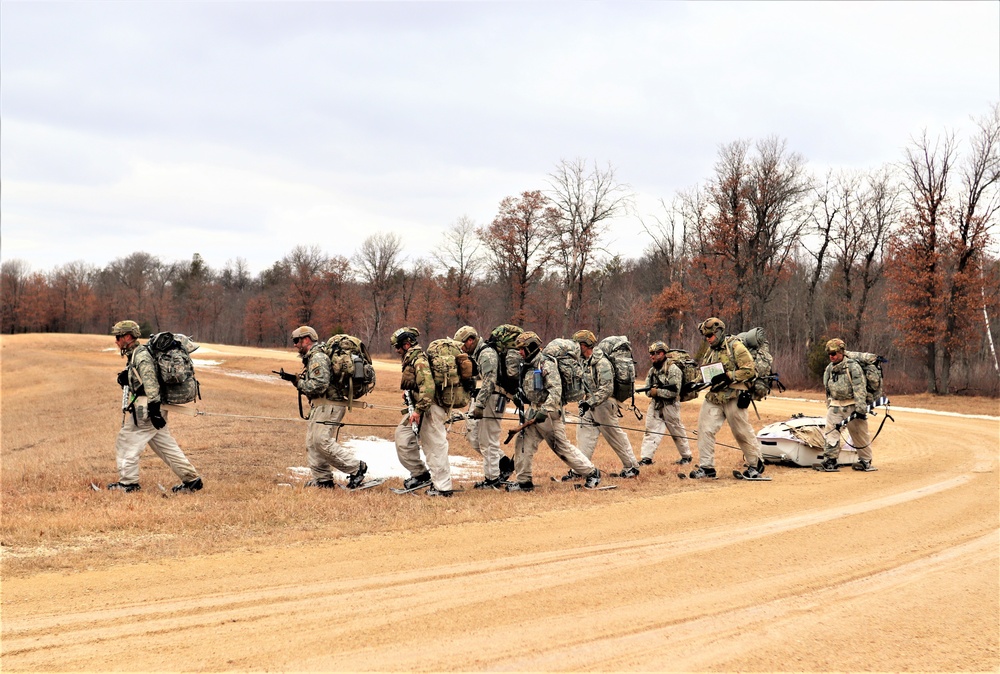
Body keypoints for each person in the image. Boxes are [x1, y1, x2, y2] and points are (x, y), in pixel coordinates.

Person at [108, 320, 203, 493]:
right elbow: (142, 378)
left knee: (126, 440)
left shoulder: (141, 355)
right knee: (164, 444)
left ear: (127, 337)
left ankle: (128, 484)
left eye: (118, 336)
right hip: (153, 406)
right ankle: (192, 480)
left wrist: (153, 409)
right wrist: (127, 377)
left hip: (147, 407)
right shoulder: (137, 353)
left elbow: (150, 381)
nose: (116, 340)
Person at [506, 331, 601, 492]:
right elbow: (534, 389)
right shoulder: (529, 365)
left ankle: (592, 473)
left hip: (548, 414)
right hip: (534, 411)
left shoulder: (546, 363)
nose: (520, 352)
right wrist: (521, 396)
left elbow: (555, 391)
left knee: (561, 447)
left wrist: (544, 411)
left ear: (531, 347)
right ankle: (524, 482)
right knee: (523, 443)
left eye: (522, 349)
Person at [278, 326, 368, 489]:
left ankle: (357, 468)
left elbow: (319, 384)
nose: (295, 345)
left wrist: (298, 382)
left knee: (322, 441)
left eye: (296, 341)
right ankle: (323, 480)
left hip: (330, 405)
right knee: (312, 443)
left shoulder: (317, 357)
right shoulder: (313, 357)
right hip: (321, 405)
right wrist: (295, 379)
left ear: (306, 340)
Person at [692, 317, 767, 480]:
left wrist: (728, 376)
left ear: (719, 332)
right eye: (706, 336)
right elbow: (704, 372)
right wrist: (694, 383)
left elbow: (750, 371)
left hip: (734, 395)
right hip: (715, 397)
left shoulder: (736, 347)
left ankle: (756, 465)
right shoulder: (710, 351)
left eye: (710, 335)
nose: (708, 339)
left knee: (741, 432)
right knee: (705, 429)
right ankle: (706, 468)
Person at [391, 327, 454, 496]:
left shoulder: (419, 360)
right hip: (419, 407)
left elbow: (428, 388)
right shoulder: (410, 359)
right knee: (402, 438)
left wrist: (418, 411)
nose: (396, 350)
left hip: (430, 408)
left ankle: (443, 488)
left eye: (397, 347)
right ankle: (421, 475)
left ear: (406, 345)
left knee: (434, 447)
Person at [570, 329, 640, 479]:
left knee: (614, 436)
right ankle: (580, 470)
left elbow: (607, 389)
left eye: (577, 344)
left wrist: (590, 402)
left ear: (584, 345)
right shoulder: (583, 362)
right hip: (590, 404)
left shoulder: (602, 363)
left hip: (605, 405)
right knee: (584, 436)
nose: (575, 347)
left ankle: (632, 467)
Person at [455, 326, 515, 489]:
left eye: (462, 343)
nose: (461, 347)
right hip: (486, 397)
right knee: (474, 437)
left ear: (470, 340)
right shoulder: (477, 353)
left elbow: (490, 381)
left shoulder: (487, 354)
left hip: (494, 399)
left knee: (489, 439)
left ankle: (492, 479)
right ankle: (504, 464)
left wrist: (479, 404)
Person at [817, 338, 876, 472]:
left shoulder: (853, 367)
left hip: (852, 405)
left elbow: (859, 388)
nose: (832, 356)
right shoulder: (829, 369)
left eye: (834, 353)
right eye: (829, 354)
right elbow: (827, 389)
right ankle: (830, 460)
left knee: (859, 434)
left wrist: (861, 408)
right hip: (835, 406)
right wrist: (830, 405)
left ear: (842, 352)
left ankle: (865, 460)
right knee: (831, 433)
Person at [638, 341, 693, 466]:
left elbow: (674, 392)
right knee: (650, 430)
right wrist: (652, 392)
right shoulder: (652, 370)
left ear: (662, 353)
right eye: (651, 353)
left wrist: (657, 392)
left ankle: (686, 456)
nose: (652, 356)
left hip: (670, 405)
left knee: (677, 431)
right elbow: (647, 390)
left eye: (655, 353)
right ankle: (646, 458)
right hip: (656, 404)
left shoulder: (673, 369)